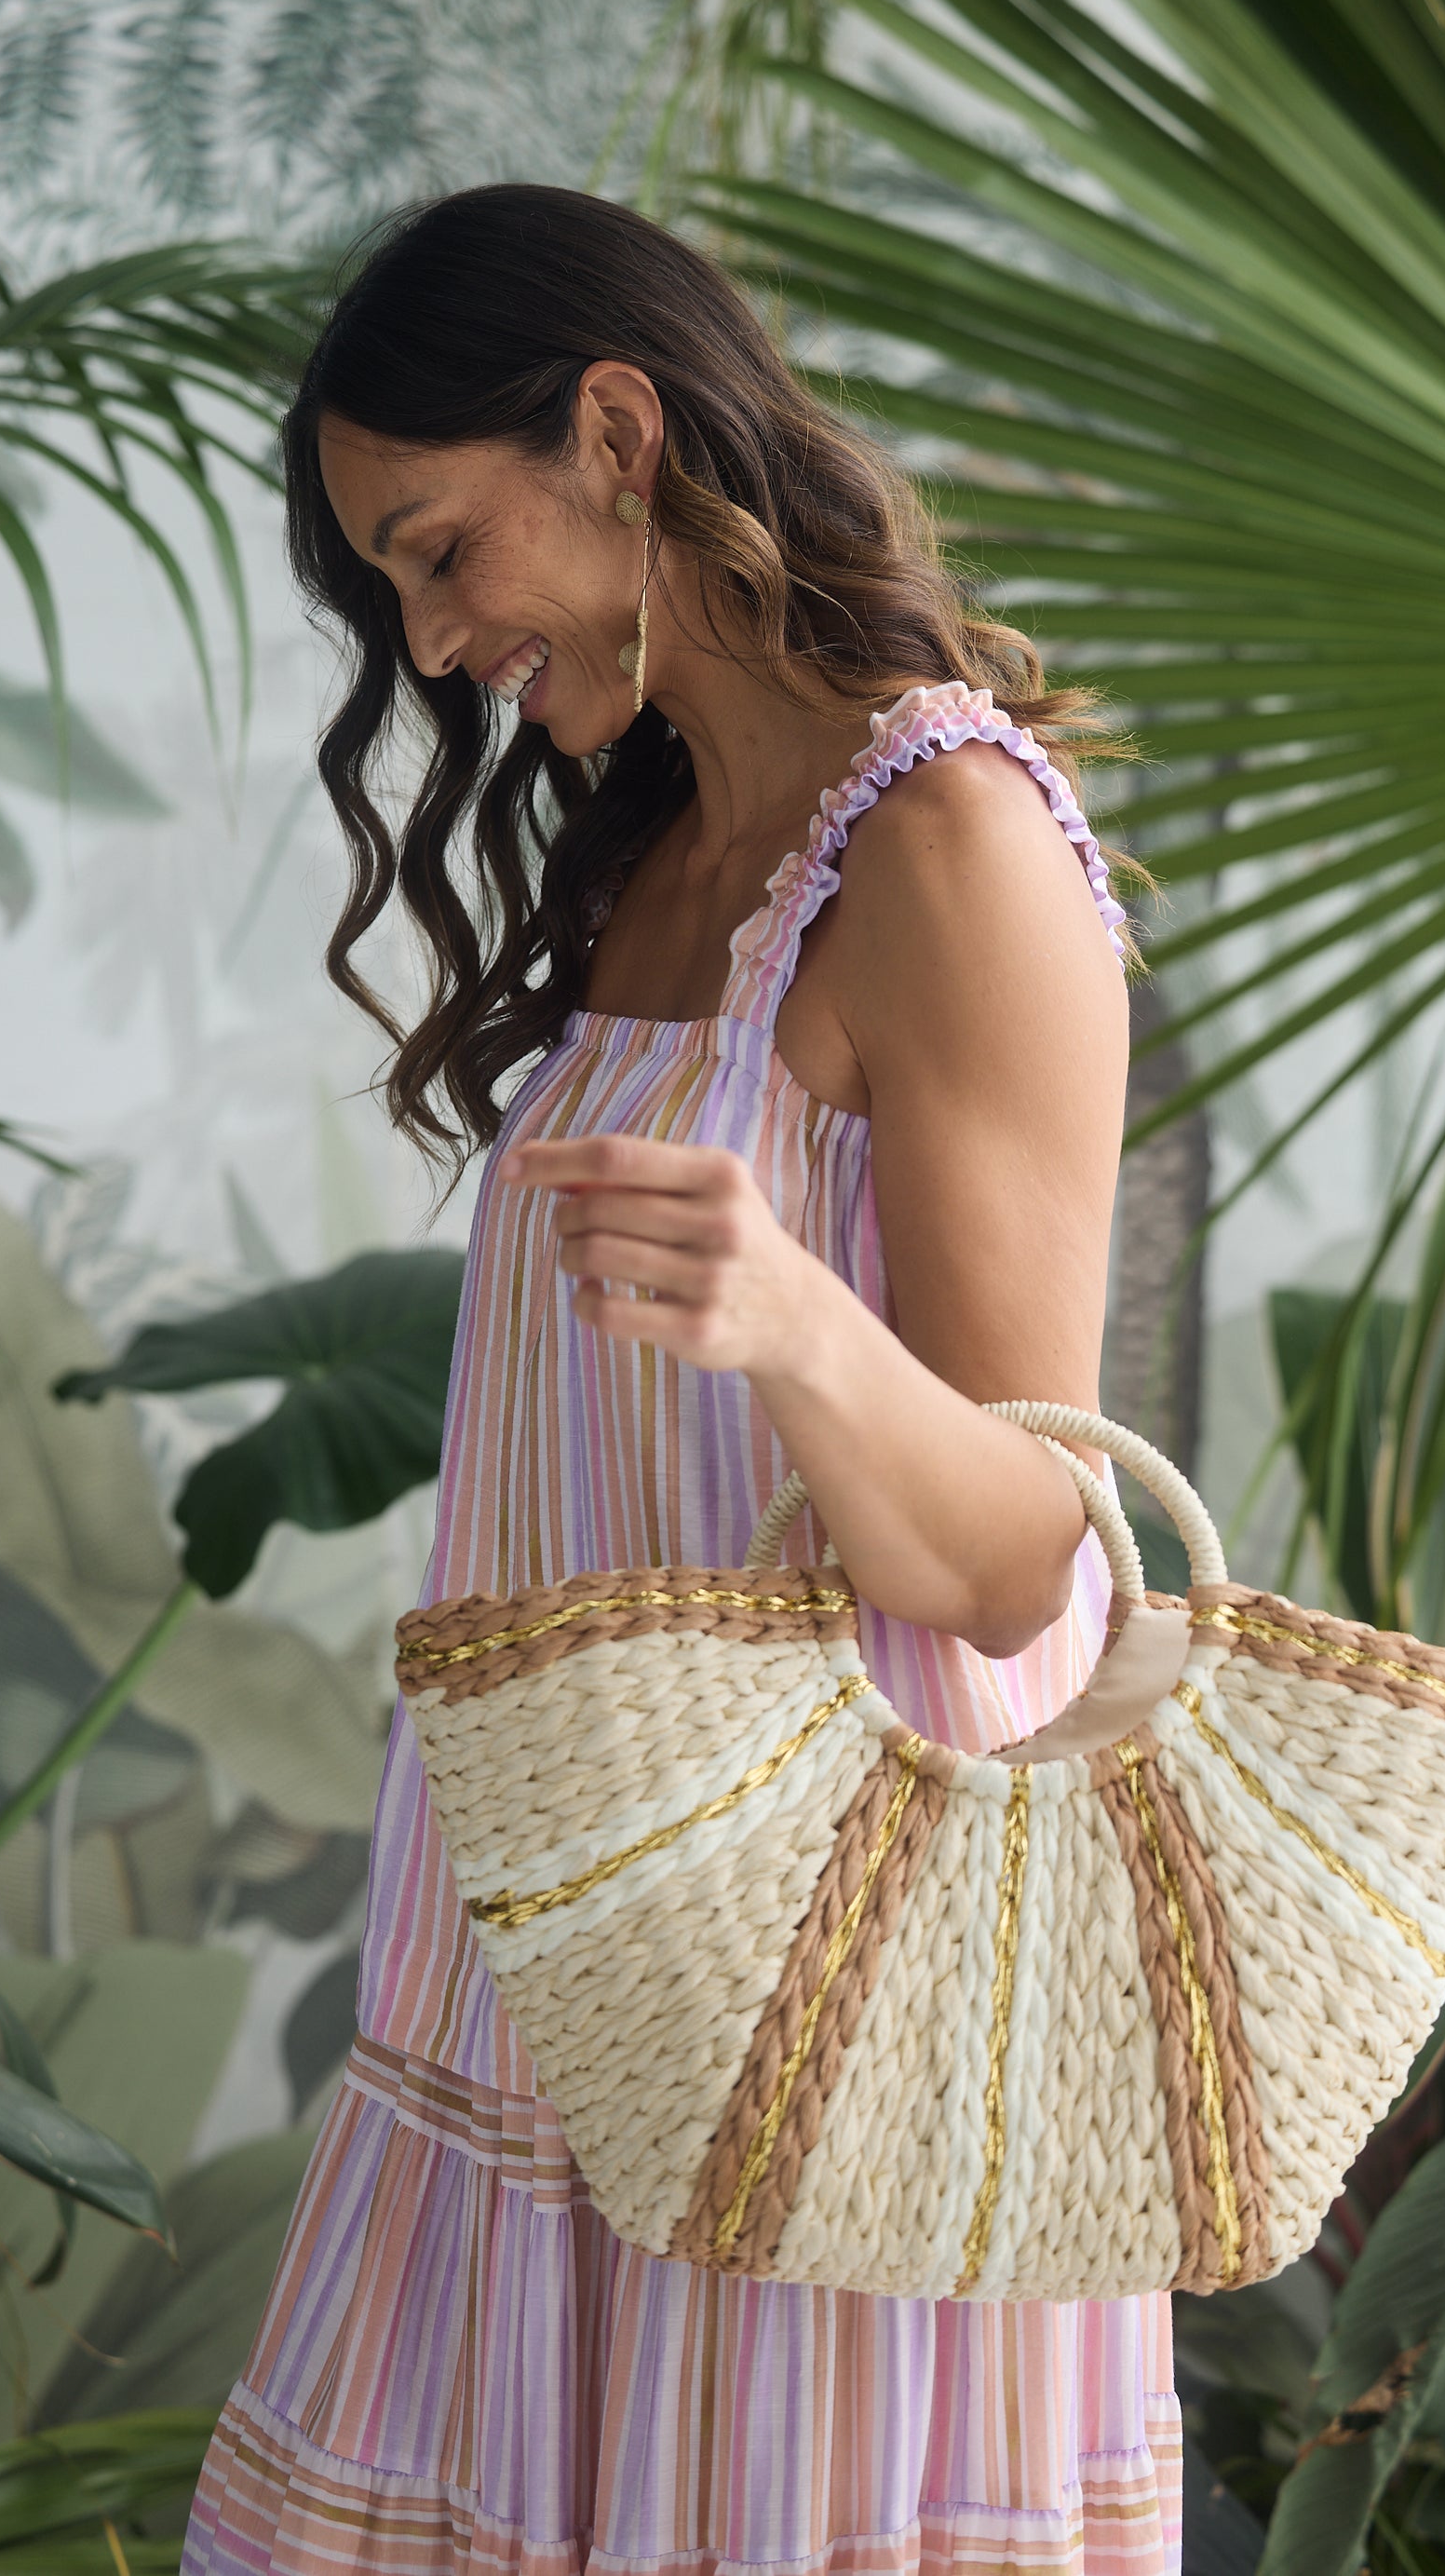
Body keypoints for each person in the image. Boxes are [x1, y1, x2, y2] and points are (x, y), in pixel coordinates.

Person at [185, 182, 1179, 2576]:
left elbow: (1022, 1556)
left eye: (441, 551)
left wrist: (796, 1319)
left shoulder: (951, 846)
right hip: (565, 1953)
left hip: (820, 1984)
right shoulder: (663, 843)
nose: (434, 645)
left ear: (617, 437)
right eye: (396, 593)